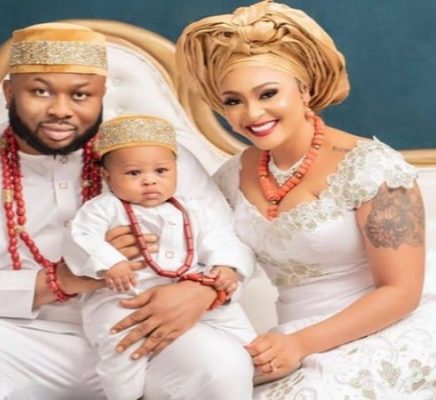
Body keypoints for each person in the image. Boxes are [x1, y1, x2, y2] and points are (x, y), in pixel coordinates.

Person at [0, 22, 256, 399]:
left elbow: (230, 244)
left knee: (221, 365)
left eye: (81, 95)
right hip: (18, 334)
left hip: (144, 323)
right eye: (40, 91)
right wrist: (60, 280)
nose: (60, 110)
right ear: (9, 93)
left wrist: (203, 291)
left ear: (101, 96)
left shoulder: (154, 159)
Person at [176, 1, 436, 398]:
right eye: (233, 101)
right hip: (289, 339)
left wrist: (300, 344)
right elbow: (197, 255)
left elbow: (401, 292)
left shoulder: (371, 166)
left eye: (268, 93)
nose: (253, 113)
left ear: (305, 89)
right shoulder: (229, 179)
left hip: (390, 327)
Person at [63, 114, 255, 400]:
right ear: (108, 177)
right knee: (121, 345)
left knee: (233, 319)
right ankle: (124, 395)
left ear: (176, 170)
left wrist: (226, 267)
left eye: (161, 171)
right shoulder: (103, 208)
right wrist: (110, 263)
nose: (149, 181)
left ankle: (256, 361)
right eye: (134, 173)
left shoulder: (193, 209)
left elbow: (221, 238)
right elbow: (80, 238)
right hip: (124, 297)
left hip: (189, 291)